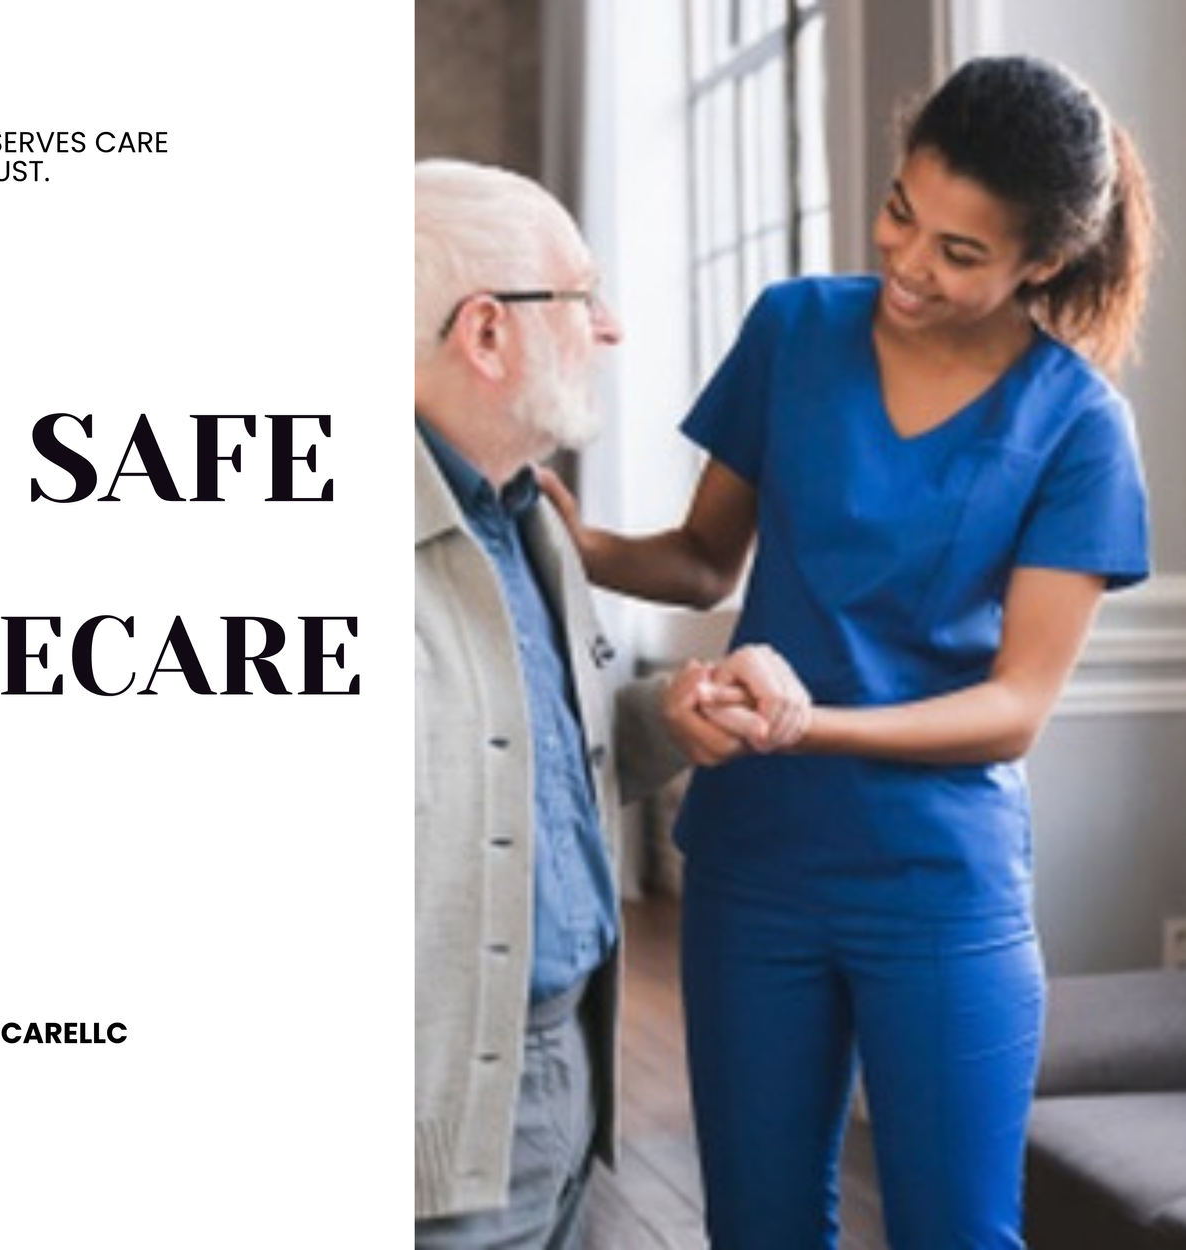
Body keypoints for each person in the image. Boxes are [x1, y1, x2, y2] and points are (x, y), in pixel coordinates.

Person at [549, 56, 1154, 1247]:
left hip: (937, 882)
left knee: (955, 1232)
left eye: (960, 253)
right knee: (760, 1228)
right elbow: (702, 561)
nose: (909, 264)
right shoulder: (795, 327)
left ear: (1040, 261)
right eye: (899, 212)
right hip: (752, 863)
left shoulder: (1079, 425)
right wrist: (570, 539)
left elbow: (1014, 706)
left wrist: (802, 724)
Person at [413, 158, 808, 1247]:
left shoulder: (529, 515)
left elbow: (520, 756)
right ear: (486, 333)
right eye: (579, 295)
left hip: (564, 1068)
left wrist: (666, 714)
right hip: (432, 1110)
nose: (612, 326)